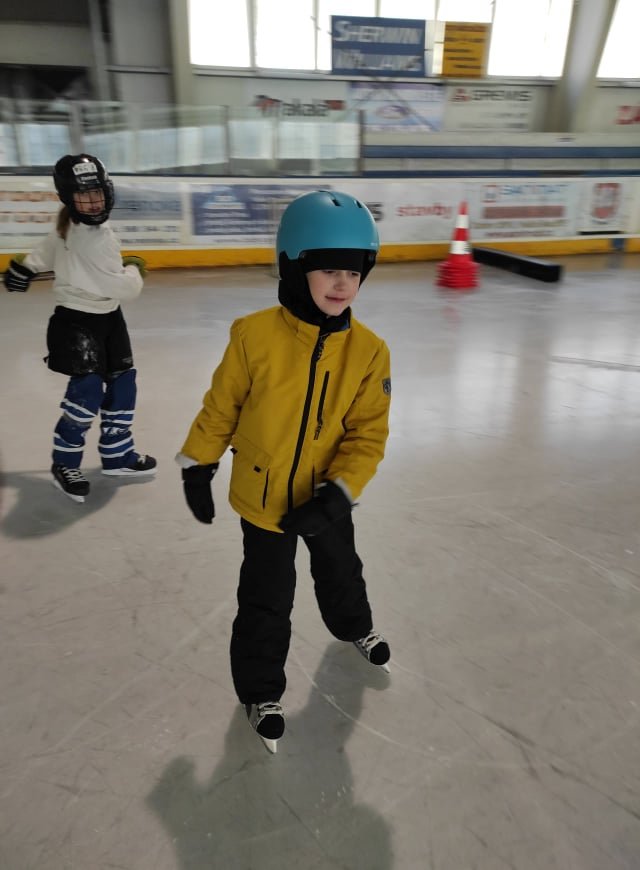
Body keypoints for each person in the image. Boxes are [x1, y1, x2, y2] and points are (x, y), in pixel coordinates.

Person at [177, 189, 391, 752]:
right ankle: (260, 692)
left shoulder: (369, 351)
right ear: (294, 268)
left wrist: (339, 493)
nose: (342, 284)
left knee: (342, 570)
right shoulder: (253, 335)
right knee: (266, 598)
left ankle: (354, 626)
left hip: (325, 497)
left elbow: (368, 433)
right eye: (328, 270)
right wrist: (198, 463)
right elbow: (221, 407)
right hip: (265, 498)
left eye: (354, 272)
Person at [3, 153, 156, 502]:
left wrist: (24, 268)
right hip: (77, 322)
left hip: (109, 319)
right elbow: (125, 288)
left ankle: (118, 456)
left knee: (122, 385)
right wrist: (134, 267)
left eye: (96, 192)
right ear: (68, 198)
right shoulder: (93, 239)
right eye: (83, 195)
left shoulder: (76, 227)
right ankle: (65, 463)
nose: (92, 202)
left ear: (107, 191)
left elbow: (48, 248)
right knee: (86, 393)